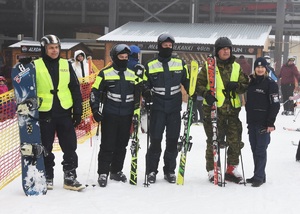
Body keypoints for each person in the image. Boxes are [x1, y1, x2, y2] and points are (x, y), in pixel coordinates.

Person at [195, 37, 249, 184]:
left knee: (235, 140)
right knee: (214, 140)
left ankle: (231, 168)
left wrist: (236, 86)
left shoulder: (236, 67)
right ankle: (213, 169)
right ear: (217, 51)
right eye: (223, 48)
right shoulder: (209, 66)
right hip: (213, 110)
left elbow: (245, 84)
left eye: (228, 48)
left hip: (232, 110)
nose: (226, 51)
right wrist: (206, 94)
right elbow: (198, 85)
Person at [34, 35, 83, 191]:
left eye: (56, 47)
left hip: (64, 112)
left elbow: (75, 88)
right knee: (46, 147)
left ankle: (70, 176)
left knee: (70, 146)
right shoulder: (35, 65)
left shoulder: (66, 64)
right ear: (44, 49)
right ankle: (47, 176)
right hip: (44, 113)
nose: (54, 51)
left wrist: (78, 111)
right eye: (51, 48)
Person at [90, 44, 142, 187]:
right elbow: (95, 91)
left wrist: (146, 92)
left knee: (122, 144)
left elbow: (141, 88)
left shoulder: (132, 74)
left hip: (127, 114)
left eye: (126, 57)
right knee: (108, 144)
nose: (124, 60)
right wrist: (95, 110)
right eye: (121, 57)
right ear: (114, 57)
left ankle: (116, 170)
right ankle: (103, 172)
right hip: (110, 114)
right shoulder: (105, 73)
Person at [142, 33, 189, 184]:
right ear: (159, 46)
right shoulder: (150, 64)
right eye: (165, 45)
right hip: (157, 107)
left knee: (172, 140)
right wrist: (146, 92)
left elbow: (187, 81)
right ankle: (151, 170)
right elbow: (144, 83)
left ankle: (169, 170)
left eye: (170, 46)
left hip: (174, 107)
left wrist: (193, 93)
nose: (168, 48)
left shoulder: (180, 63)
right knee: (155, 140)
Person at [245, 57, 280, 187]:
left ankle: (259, 177)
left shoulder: (271, 84)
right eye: (257, 67)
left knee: (260, 150)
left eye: (262, 67)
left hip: (264, 123)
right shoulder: (252, 82)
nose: (260, 69)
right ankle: (258, 175)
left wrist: (270, 122)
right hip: (252, 122)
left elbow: (275, 105)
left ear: (266, 69)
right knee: (254, 149)